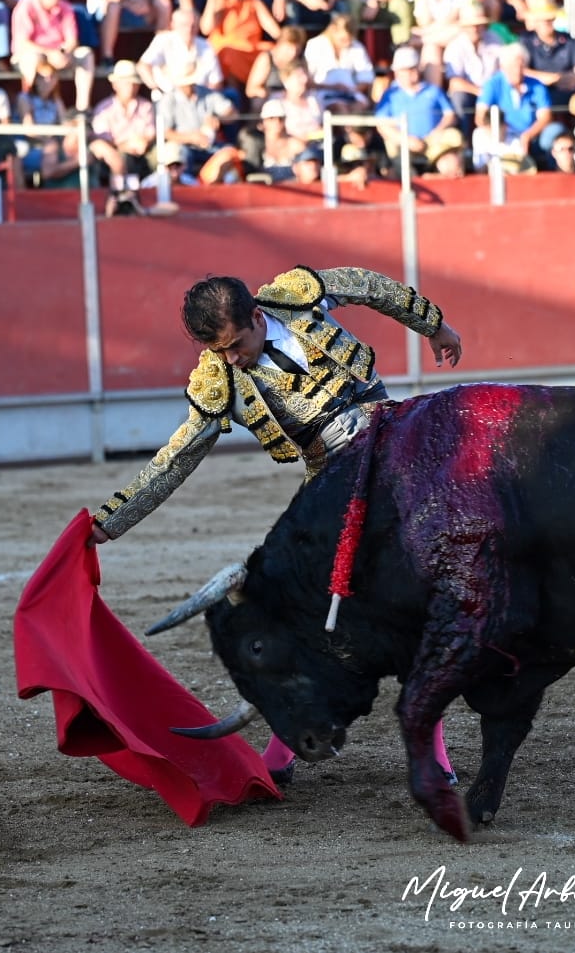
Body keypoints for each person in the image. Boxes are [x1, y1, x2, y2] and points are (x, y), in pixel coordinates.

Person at [86, 268, 463, 784]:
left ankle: (434, 751)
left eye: (237, 345)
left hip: (401, 451)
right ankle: (283, 746)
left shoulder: (298, 297)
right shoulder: (219, 382)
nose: (231, 360)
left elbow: (376, 288)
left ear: (258, 317)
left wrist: (433, 325)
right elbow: (176, 459)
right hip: (331, 489)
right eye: (219, 352)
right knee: (308, 616)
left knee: (430, 593)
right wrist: (111, 520)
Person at [10, 0, 96, 114]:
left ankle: (82, 109)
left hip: (58, 54)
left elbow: (72, 40)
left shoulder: (65, 7)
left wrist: (63, 52)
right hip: (31, 55)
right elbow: (22, 43)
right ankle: (29, 109)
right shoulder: (25, 7)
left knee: (86, 54)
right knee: (35, 58)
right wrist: (50, 53)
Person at [373, 44, 462, 171]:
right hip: (404, 144)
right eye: (406, 69)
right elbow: (382, 125)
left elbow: (450, 115)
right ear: (397, 72)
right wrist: (406, 140)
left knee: (454, 137)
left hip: (433, 142)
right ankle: (411, 182)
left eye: (413, 68)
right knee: (392, 147)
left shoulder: (433, 90)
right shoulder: (389, 95)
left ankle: (447, 174)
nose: (411, 73)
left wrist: (438, 132)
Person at [200, 0, 282, 93]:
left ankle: (256, 89)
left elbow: (271, 27)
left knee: (274, 51)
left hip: (251, 46)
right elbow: (206, 28)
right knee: (230, 54)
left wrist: (285, 40)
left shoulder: (253, 0)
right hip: (228, 47)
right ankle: (235, 94)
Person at [471, 40, 550, 170]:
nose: (518, 70)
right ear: (503, 67)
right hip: (501, 133)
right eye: (513, 66)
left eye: (521, 66)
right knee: (479, 135)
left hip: (529, 134)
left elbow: (545, 116)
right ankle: (483, 173)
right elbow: (480, 117)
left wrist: (528, 135)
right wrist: (497, 131)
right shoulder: (492, 84)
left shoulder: (536, 85)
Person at [86, 0, 174, 66]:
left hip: (134, 8)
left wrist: (146, 1)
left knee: (163, 4)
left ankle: (159, 54)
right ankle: (107, 58)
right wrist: (126, 3)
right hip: (103, 9)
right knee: (113, 6)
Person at [89, 59, 156, 187]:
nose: (131, 87)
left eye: (133, 83)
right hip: (115, 156)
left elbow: (150, 134)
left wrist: (144, 142)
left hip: (143, 153)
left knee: (162, 156)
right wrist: (126, 145)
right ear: (115, 84)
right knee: (123, 158)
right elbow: (102, 139)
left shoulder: (145, 106)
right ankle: (121, 194)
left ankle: (164, 192)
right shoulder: (104, 108)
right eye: (126, 83)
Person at [442, 0, 501, 135]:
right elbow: (454, 82)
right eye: (471, 25)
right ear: (464, 27)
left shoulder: (494, 39)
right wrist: (482, 92)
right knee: (459, 97)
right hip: (471, 93)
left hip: (493, 90)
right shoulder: (455, 46)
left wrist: (490, 91)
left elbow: (504, 67)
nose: (475, 28)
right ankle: (465, 137)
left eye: (478, 24)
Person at [518, 0, 575, 105]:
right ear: (536, 21)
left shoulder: (568, 40)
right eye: (543, 19)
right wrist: (550, 78)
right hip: (537, 90)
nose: (547, 22)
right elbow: (520, 70)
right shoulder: (525, 40)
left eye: (550, 18)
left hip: (567, 88)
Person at [137, 5, 223, 97]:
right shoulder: (162, 40)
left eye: (193, 25)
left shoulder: (206, 46)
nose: (189, 29)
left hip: (199, 99)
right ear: (173, 25)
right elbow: (143, 66)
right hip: (167, 97)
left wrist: (207, 100)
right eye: (184, 25)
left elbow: (216, 81)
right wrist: (156, 88)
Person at [304, 12, 375, 113]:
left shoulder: (356, 46)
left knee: (360, 106)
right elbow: (308, 80)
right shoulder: (315, 45)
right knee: (339, 107)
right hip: (322, 93)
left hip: (351, 93)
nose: (347, 43)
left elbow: (366, 76)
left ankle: (355, 128)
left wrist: (353, 89)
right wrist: (333, 87)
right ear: (333, 29)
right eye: (343, 39)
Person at [245, 23, 306, 113]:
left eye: (297, 49)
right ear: (280, 44)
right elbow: (251, 90)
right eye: (289, 48)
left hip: (293, 102)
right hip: (271, 102)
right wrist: (272, 94)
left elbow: (308, 84)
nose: (293, 53)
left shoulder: (299, 61)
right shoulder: (267, 59)